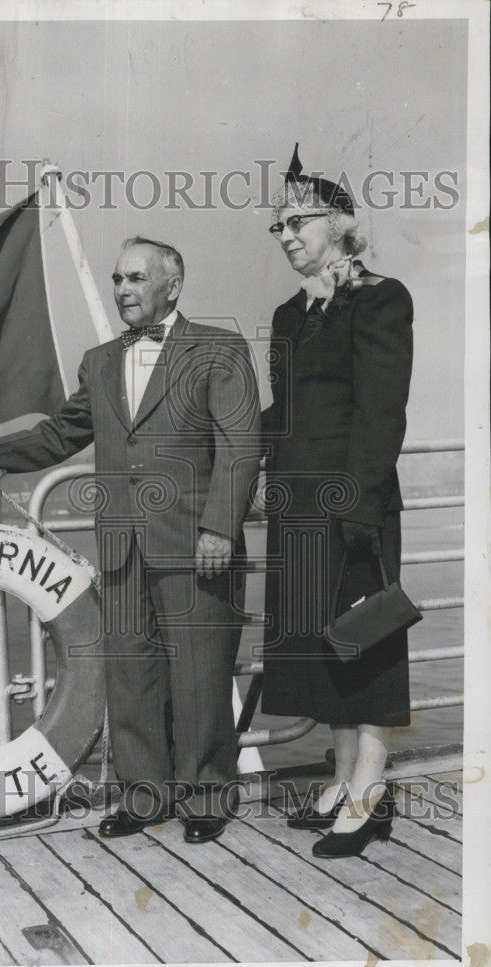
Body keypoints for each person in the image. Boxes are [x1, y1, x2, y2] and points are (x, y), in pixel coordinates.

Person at [0, 236, 261, 843]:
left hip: (195, 540)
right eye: (116, 279)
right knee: (131, 672)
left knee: (199, 672)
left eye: (136, 278)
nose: (123, 290)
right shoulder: (101, 360)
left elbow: (242, 447)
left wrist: (220, 526)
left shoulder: (219, 349)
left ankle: (206, 796)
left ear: (173, 284)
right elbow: (63, 434)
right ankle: (144, 796)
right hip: (120, 543)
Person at [260, 145, 414, 858]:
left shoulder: (381, 299)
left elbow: (382, 414)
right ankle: (344, 774)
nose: (287, 234)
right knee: (330, 646)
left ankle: (370, 789)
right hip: (298, 507)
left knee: (369, 642)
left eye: (300, 220)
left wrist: (356, 510)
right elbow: (282, 415)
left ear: (343, 224)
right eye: (279, 225)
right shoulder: (290, 316)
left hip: (356, 505)